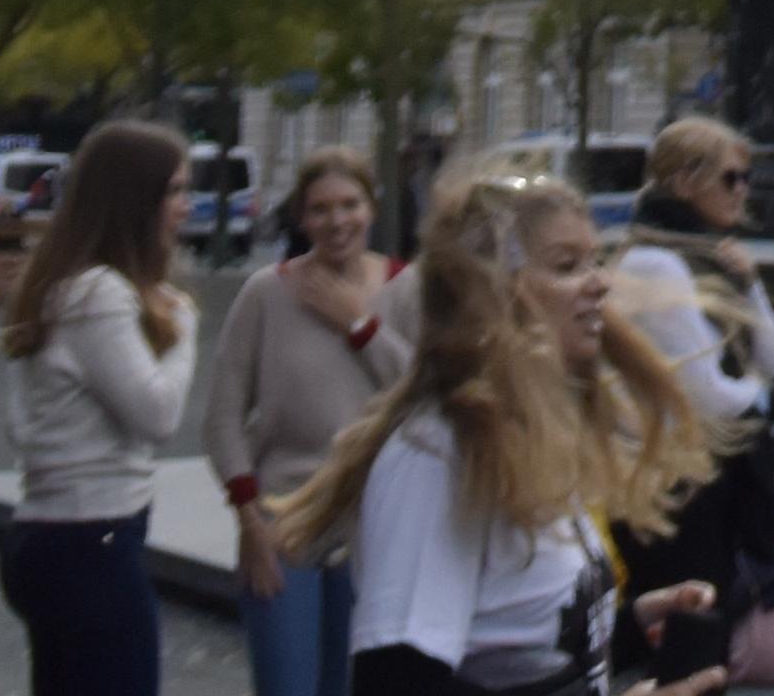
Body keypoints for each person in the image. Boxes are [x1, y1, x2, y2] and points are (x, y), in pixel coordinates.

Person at [269, 173, 718, 696]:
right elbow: (396, 682)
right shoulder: (436, 455)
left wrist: (625, 631)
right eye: (567, 266)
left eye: (595, 261)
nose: (599, 283)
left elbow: (512, 647)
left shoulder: (526, 432)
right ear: (492, 295)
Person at [0, 117, 197, 696]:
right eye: (175, 191)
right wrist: (181, 325)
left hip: (53, 533)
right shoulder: (98, 293)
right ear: (137, 200)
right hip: (93, 539)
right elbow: (157, 414)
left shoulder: (59, 283)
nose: (186, 205)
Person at [198, 146, 408, 696]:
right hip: (284, 520)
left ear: (372, 207)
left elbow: (425, 394)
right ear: (301, 217)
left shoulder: (407, 288)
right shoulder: (266, 293)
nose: (337, 222)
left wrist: (359, 325)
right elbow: (222, 416)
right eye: (320, 209)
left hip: (375, 523)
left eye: (349, 205)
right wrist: (249, 521)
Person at [610, 121, 774, 686]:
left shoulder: (710, 258)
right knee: (686, 644)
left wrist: (750, 283)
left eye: (746, 178)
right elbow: (707, 392)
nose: (743, 190)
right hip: (674, 486)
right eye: (730, 177)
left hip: (706, 478)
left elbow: (772, 354)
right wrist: (759, 395)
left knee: (701, 636)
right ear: (685, 181)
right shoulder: (655, 264)